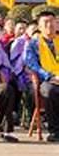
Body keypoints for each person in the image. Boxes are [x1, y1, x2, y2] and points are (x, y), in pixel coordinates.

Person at [24, 11, 59, 142]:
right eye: (46, 22)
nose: (50, 25)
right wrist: (50, 76)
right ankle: (55, 130)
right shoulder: (33, 44)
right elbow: (31, 64)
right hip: (45, 80)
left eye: (52, 21)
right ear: (39, 26)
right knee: (49, 91)